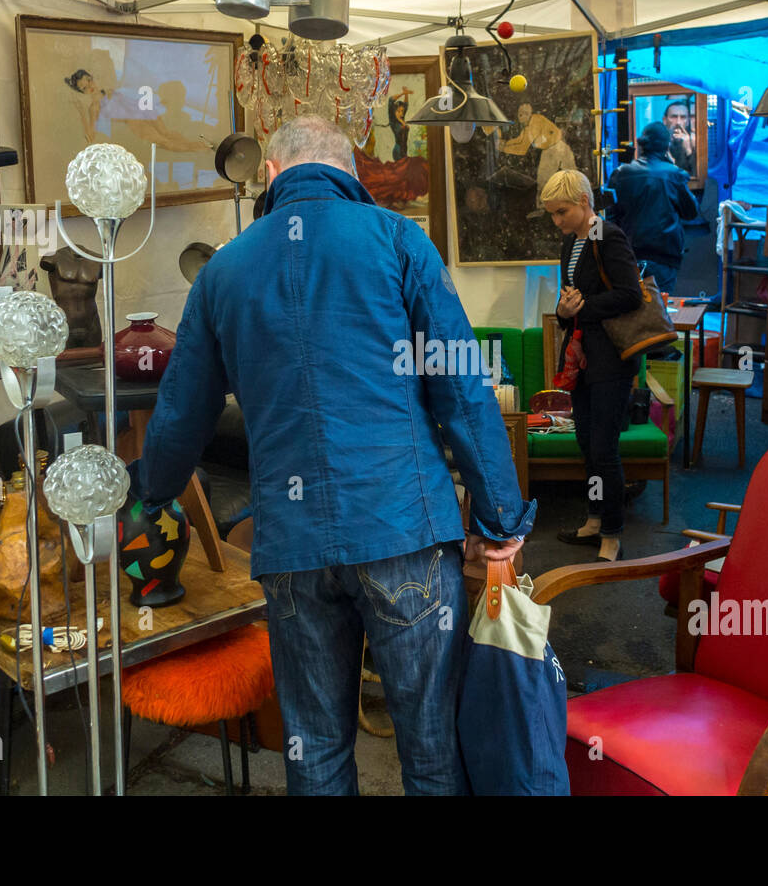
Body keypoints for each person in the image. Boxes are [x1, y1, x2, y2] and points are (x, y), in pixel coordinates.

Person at [138, 115, 535, 795]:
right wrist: (500, 519)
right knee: (432, 745)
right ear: (352, 172)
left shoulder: (223, 270)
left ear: (269, 172)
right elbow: (463, 391)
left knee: (316, 748)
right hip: (403, 531)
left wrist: (153, 493)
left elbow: (181, 416)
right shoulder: (400, 241)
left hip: (293, 548)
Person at [545, 169, 641, 563]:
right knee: (587, 444)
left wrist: (581, 307)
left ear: (585, 202)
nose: (557, 221)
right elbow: (571, 301)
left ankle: (612, 534)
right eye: (552, 214)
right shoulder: (572, 242)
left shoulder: (607, 235)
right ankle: (596, 518)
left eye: (561, 211)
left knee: (604, 448)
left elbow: (630, 295)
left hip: (611, 359)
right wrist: (564, 311)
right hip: (583, 356)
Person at [608, 121, 699, 294]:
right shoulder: (674, 174)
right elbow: (691, 212)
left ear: (642, 144)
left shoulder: (621, 173)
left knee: (630, 304)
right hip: (664, 256)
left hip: (628, 253)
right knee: (659, 307)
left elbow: (611, 215)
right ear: (666, 145)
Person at [663, 100, 696, 175]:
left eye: (683, 117)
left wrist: (688, 150)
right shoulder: (658, 142)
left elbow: (698, 175)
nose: (678, 122)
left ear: (688, 121)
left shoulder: (694, 143)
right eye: (674, 117)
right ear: (664, 120)